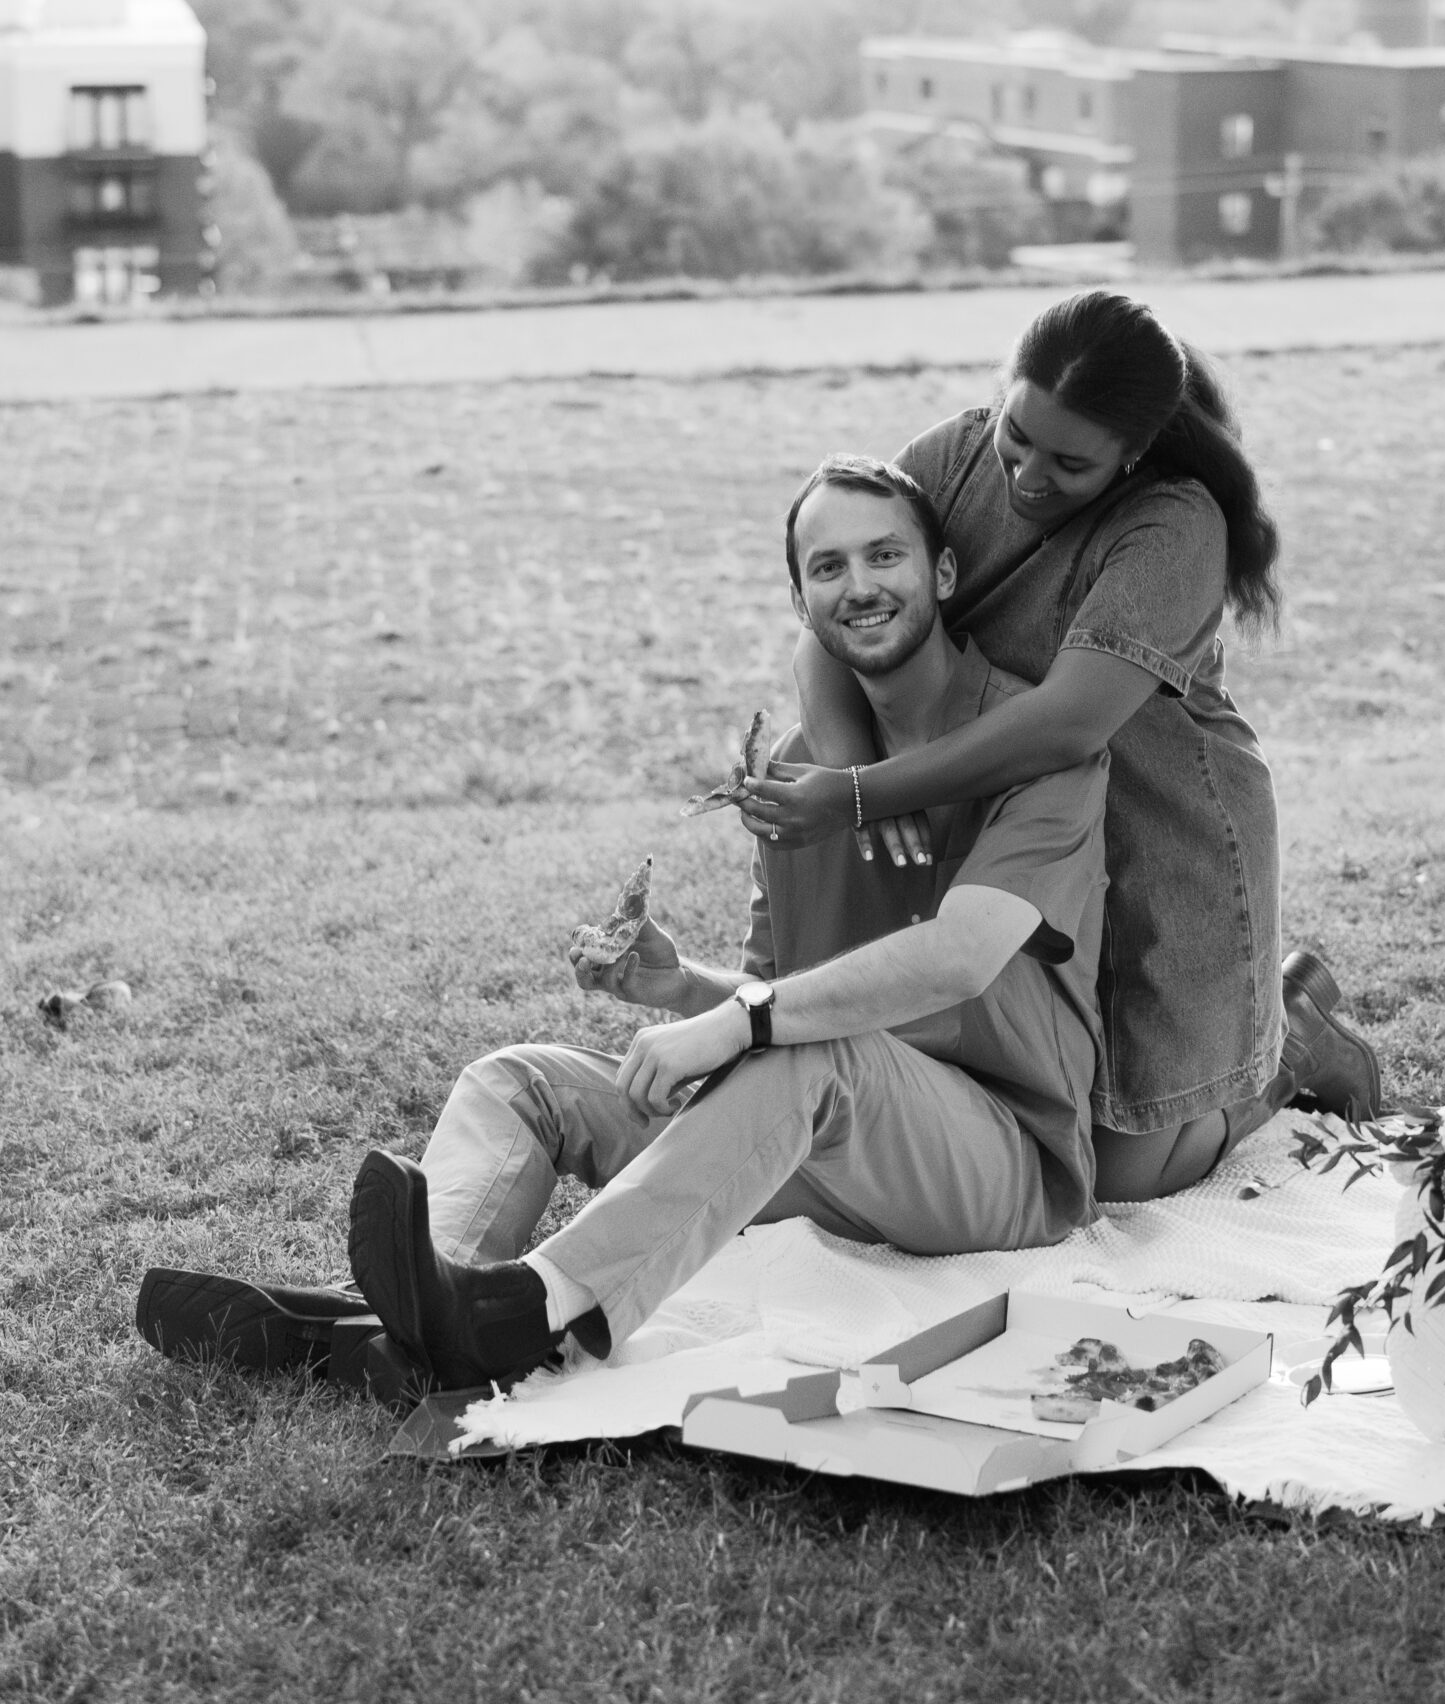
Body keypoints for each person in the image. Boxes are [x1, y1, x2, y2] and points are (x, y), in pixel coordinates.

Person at [137, 455, 1112, 1395]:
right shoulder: (794, 773)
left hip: (992, 1163)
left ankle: (528, 1309)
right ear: (801, 603)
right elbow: (773, 1020)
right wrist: (686, 986)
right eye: (827, 567)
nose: (859, 584)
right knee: (521, 1081)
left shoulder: (1036, 753)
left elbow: (958, 960)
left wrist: (738, 1020)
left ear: (940, 571)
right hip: (825, 1136)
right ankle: (421, 1316)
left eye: (883, 556)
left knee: (805, 1051)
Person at [743, 289, 1380, 1203]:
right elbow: (831, 622)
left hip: (1163, 822)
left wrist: (862, 796)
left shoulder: (1174, 523)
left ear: (1134, 453)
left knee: (1123, 1169)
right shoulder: (951, 459)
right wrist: (855, 772)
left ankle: (1297, 1033)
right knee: (1027, 1112)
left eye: (1070, 463)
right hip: (1023, 821)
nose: (1029, 477)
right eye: (1018, 435)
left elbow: (1069, 720)